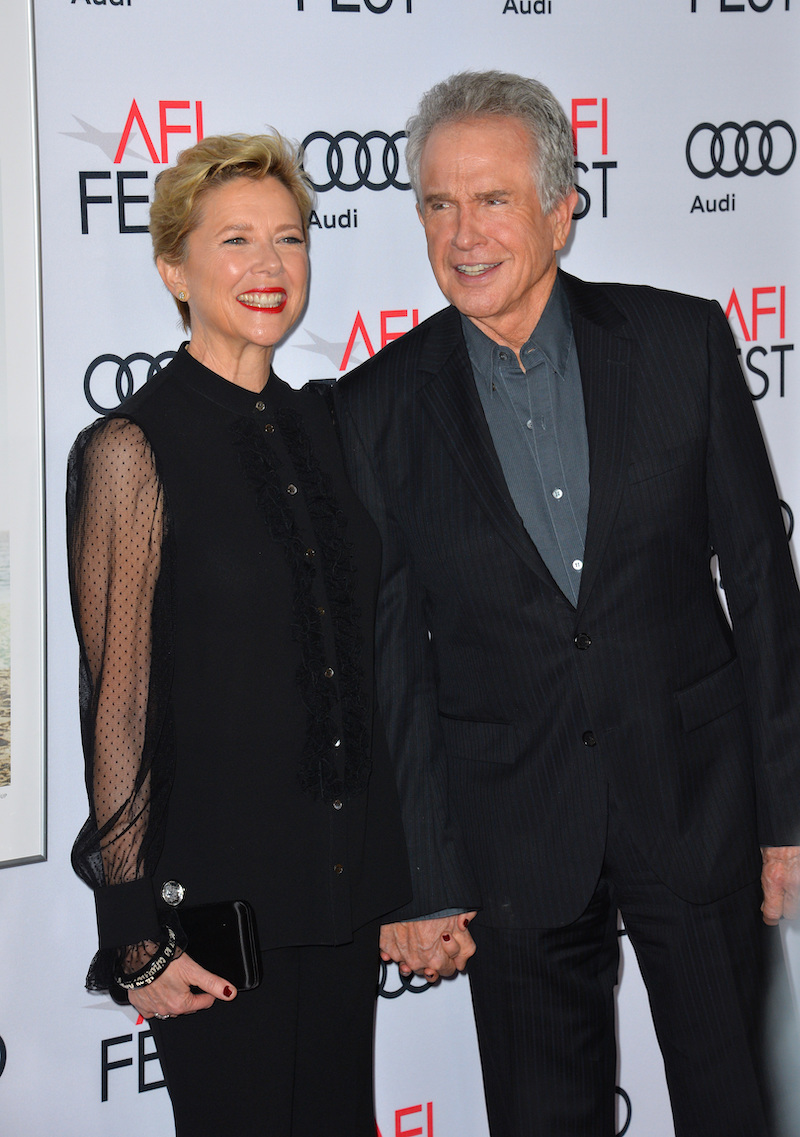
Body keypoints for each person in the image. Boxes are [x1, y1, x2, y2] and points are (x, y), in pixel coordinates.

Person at [335, 71, 800, 1137]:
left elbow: (763, 590)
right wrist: (423, 876)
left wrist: (786, 817)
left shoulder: (681, 346)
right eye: (437, 206)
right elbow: (390, 660)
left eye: (492, 200)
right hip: (512, 838)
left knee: (743, 1106)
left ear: (558, 207)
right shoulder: (375, 407)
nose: (462, 235)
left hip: (698, 804)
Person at [67, 132, 409, 1137]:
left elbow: (361, 669)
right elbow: (117, 705)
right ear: (173, 266)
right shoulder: (131, 449)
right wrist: (132, 931)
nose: (269, 267)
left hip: (340, 891)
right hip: (214, 908)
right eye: (235, 241)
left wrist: (399, 878)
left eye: (289, 240)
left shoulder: (329, 426)